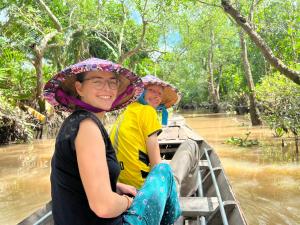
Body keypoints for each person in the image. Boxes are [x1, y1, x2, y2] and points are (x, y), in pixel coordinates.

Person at [44, 58, 181, 225]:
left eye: (112, 82)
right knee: (164, 170)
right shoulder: (88, 127)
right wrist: (129, 202)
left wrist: (116, 185)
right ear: (79, 88)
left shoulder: (75, 123)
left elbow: (82, 179)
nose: (107, 88)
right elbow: (104, 207)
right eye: (97, 81)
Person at [110, 75, 200, 197]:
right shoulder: (147, 111)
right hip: (143, 188)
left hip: (122, 186)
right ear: (140, 91)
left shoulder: (126, 112)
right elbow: (156, 165)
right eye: (152, 90)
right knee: (191, 145)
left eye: (160, 93)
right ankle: (177, 198)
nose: (157, 96)